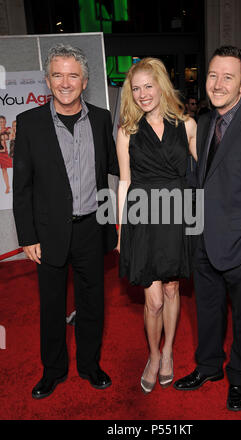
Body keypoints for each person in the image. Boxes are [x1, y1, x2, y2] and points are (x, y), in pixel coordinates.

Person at [174, 46, 241, 411]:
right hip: (203, 240)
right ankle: (208, 367)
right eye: (213, 75)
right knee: (207, 311)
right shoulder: (203, 122)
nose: (218, 84)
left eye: (228, 77)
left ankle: (239, 376)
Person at [13, 43, 119, 399]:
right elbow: (22, 187)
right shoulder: (28, 123)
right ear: (47, 80)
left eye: (72, 75)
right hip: (48, 232)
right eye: (57, 74)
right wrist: (27, 236)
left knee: (93, 303)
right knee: (52, 306)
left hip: (92, 227)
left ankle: (90, 366)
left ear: (84, 80)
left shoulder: (103, 119)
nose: (65, 82)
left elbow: (113, 173)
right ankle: (53, 371)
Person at [116, 57, 197, 394]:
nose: (142, 94)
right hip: (144, 219)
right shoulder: (126, 131)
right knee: (153, 300)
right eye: (136, 89)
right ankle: (152, 354)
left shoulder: (188, 125)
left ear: (161, 85)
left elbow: (204, 176)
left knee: (172, 288)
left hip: (177, 215)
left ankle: (168, 352)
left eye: (148, 86)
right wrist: (122, 230)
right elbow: (124, 182)